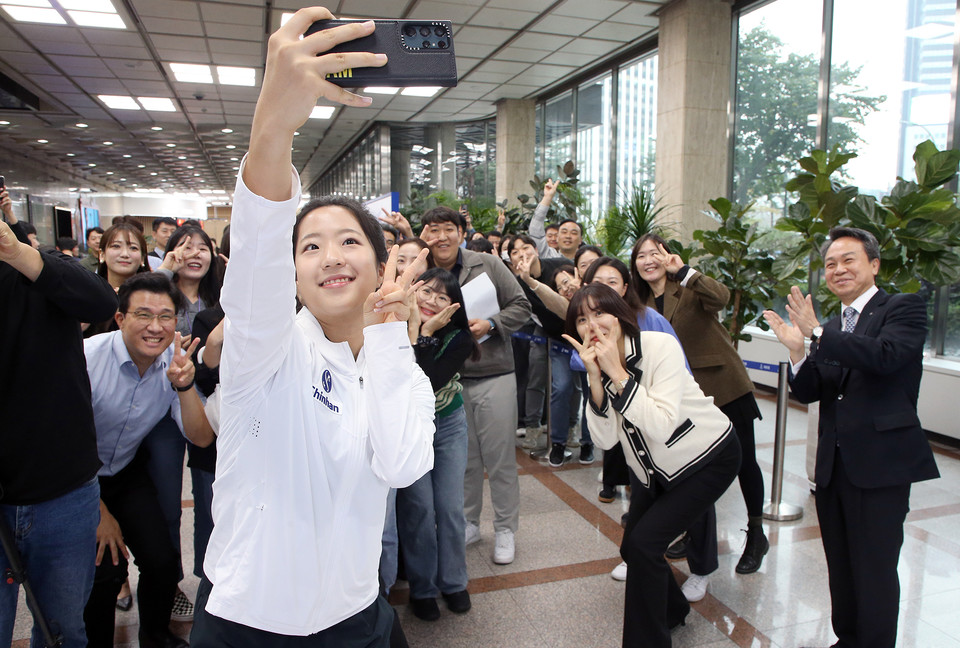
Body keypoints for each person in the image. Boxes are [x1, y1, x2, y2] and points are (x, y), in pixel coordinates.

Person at [189, 11, 435, 647]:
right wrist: (271, 134)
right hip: (249, 620)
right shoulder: (265, 351)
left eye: (350, 241)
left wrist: (386, 339)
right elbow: (255, 261)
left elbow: (403, 464)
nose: (330, 256)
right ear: (291, 276)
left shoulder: (396, 362)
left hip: (355, 613)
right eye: (310, 247)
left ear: (381, 265)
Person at [763, 226, 939, 648]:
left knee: (875, 566)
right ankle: (848, 638)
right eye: (830, 264)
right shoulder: (829, 325)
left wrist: (819, 336)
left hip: (881, 464)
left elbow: (885, 358)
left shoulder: (902, 308)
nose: (838, 270)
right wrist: (798, 351)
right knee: (840, 564)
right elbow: (812, 391)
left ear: (873, 265)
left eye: (848, 260)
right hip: (833, 467)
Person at [564, 283, 740, 648]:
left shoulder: (658, 347)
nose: (592, 325)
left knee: (643, 544)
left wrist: (619, 377)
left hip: (707, 458)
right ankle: (673, 611)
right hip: (653, 471)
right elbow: (605, 440)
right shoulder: (597, 362)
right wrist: (595, 379)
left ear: (620, 314)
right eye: (582, 319)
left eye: (600, 313)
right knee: (634, 548)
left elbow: (661, 423)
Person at [0, 195, 118, 648]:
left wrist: (16, 249)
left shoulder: (37, 269)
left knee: (64, 629)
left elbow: (100, 300)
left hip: (62, 494)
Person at [630, 233, 768, 598]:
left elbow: (721, 298)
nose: (648, 261)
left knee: (744, 463)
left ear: (667, 255)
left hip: (722, 385)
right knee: (692, 471)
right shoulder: (638, 300)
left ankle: (756, 534)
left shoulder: (687, 286)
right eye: (641, 255)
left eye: (654, 253)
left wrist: (686, 272)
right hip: (681, 398)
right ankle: (693, 532)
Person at [83, 272, 215, 648]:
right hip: (77, 480)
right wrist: (99, 513)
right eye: (143, 315)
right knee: (106, 569)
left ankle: (156, 637)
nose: (155, 327)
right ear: (121, 318)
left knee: (161, 561)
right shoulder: (88, 359)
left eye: (166, 316)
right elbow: (61, 445)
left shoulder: (172, 365)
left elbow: (201, 436)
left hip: (125, 472)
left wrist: (185, 385)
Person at [421, 205, 531, 565]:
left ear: (461, 231)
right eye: (433, 230)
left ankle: (505, 528)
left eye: (447, 229)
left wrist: (492, 324)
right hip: (447, 381)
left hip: (494, 373)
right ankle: (469, 521)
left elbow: (521, 306)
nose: (441, 237)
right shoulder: (424, 273)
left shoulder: (488, 264)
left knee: (499, 458)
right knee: (463, 461)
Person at [396, 267, 479, 621]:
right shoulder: (390, 326)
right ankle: (424, 587)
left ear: (453, 306)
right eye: (427, 292)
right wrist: (419, 332)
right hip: (407, 428)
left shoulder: (459, 338)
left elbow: (428, 382)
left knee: (448, 508)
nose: (431, 301)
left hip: (446, 424)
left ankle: (454, 581)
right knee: (419, 510)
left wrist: (426, 334)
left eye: (442, 297)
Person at [528, 179, 583, 261]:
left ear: (580, 240)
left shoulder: (586, 261)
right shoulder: (548, 256)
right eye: (564, 232)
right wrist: (547, 198)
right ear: (557, 237)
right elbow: (535, 229)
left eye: (573, 233)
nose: (568, 236)